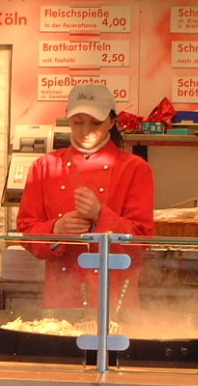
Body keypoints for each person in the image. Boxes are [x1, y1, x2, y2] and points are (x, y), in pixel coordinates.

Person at [16, 83, 154, 309]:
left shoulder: (136, 169)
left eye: (95, 122)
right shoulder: (45, 166)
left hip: (115, 298)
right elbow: (27, 231)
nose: (85, 130)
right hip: (62, 298)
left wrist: (100, 216)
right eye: (78, 122)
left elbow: (141, 240)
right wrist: (56, 229)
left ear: (112, 121)